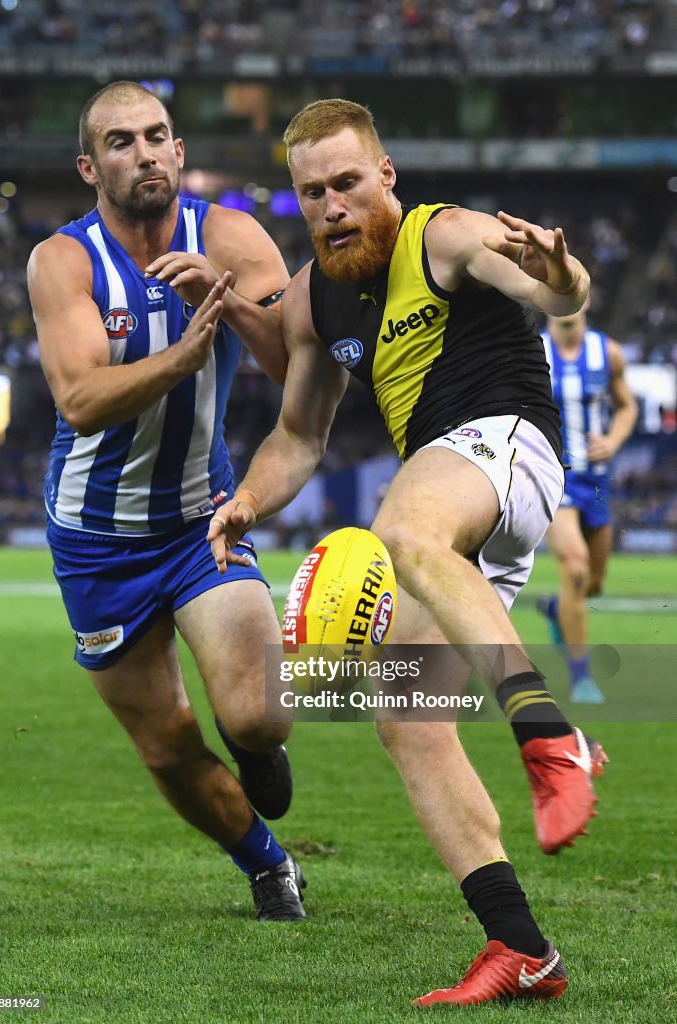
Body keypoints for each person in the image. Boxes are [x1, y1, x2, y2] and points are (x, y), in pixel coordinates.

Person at [207, 99, 608, 1004]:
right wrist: (248, 500)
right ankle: (520, 949)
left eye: (347, 182)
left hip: (506, 445)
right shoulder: (314, 297)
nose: (332, 205)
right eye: (311, 194)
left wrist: (563, 274)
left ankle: (554, 739)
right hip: (458, 503)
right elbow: (299, 436)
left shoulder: (447, 234)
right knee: (404, 716)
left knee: (402, 529)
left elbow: (554, 294)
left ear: (384, 175)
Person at [26, 81, 308, 922]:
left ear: (179, 153)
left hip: (198, 517)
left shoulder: (229, 235)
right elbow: (78, 398)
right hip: (96, 538)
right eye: (121, 142)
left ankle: (253, 744)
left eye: (157, 137)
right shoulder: (63, 260)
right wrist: (183, 358)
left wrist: (214, 301)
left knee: (258, 717)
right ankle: (267, 864)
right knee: (168, 744)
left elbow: (300, 373)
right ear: (90, 166)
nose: (144, 152)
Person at [538, 307, 638, 703]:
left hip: (595, 479)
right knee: (575, 567)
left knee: (592, 583)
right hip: (553, 476)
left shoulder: (607, 352)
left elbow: (626, 405)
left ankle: (555, 610)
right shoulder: (531, 352)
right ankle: (581, 678)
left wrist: (612, 441)